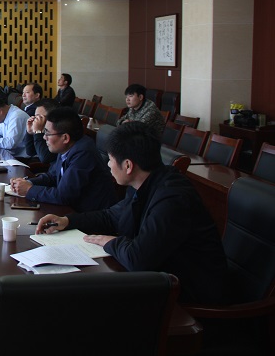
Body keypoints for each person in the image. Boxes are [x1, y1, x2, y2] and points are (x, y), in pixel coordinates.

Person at [35, 122, 227, 304]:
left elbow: (139, 259)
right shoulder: (143, 182)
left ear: (128, 165)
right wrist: (67, 221)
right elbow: (111, 216)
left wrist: (110, 242)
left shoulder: (172, 198)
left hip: (188, 292)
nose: (108, 165)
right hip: (160, 278)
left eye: (110, 160)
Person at [9, 106, 116, 212]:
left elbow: (64, 196)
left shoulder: (83, 153)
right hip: (72, 208)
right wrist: (28, 182)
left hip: (89, 215)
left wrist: (29, 190)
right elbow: (53, 176)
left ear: (65, 138)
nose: (44, 137)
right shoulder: (67, 147)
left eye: (47, 133)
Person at [23, 98, 59, 164]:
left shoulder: (57, 132)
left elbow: (45, 158)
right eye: (35, 116)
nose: (36, 120)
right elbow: (30, 152)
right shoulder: (43, 130)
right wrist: (30, 133)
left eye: (39, 117)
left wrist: (38, 132)